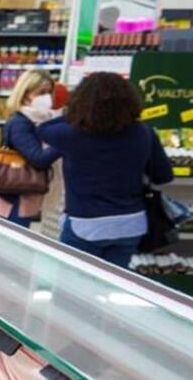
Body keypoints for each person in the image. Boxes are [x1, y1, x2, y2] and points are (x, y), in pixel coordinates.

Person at [38, 72, 175, 268]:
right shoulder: (143, 132)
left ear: (81, 101)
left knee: (74, 284)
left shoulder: (70, 134)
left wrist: (78, 113)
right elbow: (163, 176)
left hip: (85, 224)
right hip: (130, 224)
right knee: (112, 286)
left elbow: (44, 128)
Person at [0, 69, 62, 227]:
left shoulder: (41, 120)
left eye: (49, 92)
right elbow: (38, 159)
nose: (46, 97)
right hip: (13, 199)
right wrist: (64, 141)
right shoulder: (20, 123)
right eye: (41, 92)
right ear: (25, 93)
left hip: (24, 196)